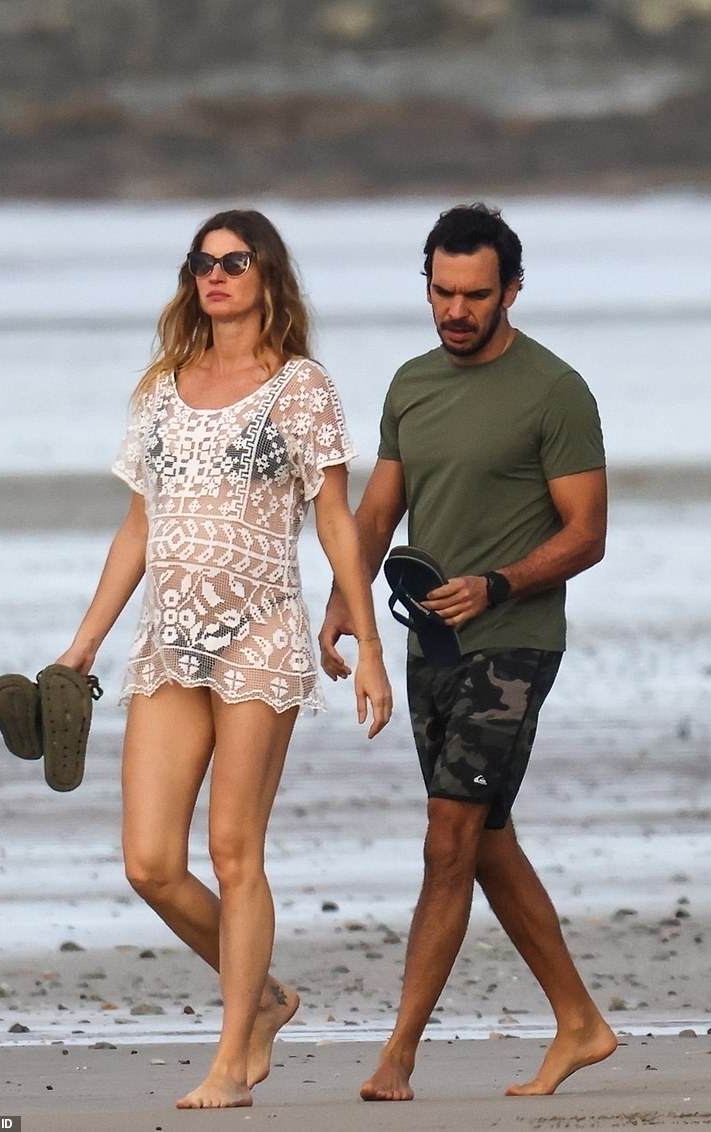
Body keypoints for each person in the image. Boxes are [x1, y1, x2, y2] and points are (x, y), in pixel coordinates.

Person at [54, 208, 392, 1110]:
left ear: (267, 276)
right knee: (149, 864)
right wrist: (84, 643)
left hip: (260, 637)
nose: (215, 275)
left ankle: (230, 1057)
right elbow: (139, 525)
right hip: (168, 643)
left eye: (234, 262)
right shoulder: (163, 386)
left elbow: (333, 521)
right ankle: (270, 997)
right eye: (201, 263)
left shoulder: (302, 388)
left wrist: (367, 645)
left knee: (236, 851)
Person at [319, 202, 617, 1101]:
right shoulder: (411, 384)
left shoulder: (555, 390)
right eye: (442, 292)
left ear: (511, 291)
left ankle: (398, 1055)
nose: (456, 309)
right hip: (433, 644)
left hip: (514, 642)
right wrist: (342, 597)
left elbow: (588, 533)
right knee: (482, 838)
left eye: (475, 294)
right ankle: (580, 1023)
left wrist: (499, 583)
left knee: (448, 835)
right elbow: (377, 513)